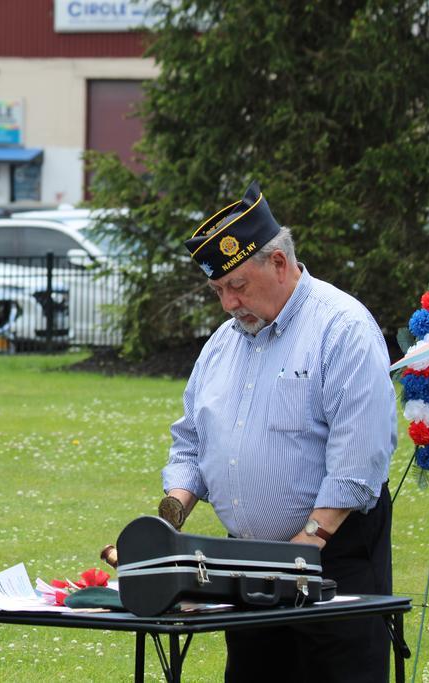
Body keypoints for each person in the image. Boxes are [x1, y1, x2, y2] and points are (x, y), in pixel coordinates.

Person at [160, 181, 397, 681]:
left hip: (334, 558)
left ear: (280, 264)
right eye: (218, 290)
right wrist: (172, 512)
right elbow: (192, 442)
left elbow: (360, 456)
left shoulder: (342, 327)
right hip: (246, 570)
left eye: (238, 286)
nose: (228, 304)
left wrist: (306, 543)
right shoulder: (224, 343)